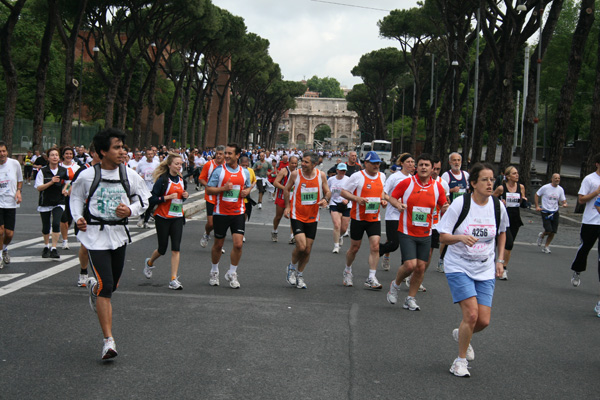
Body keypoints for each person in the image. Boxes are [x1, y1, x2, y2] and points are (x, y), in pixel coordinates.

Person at [71, 128, 150, 360]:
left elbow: (144, 199)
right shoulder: (87, 176)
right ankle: (108, 340)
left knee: (111, 286)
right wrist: (78, 218)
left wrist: (131, 210)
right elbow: (75, 197)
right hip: (95, 235)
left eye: (123, 147)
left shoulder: (130, 175)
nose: (122, 152)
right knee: (107, 287)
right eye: (117, 147)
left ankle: (94, 289)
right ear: (102, 151)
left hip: (118, 234)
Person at [437, 163, 508, 377]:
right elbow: (442, 236)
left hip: (485, 267)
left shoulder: (497, 206)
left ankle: (462, 334)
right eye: (485, 179)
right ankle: (459, 362)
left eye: (492, 179)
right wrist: (460, 237)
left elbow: (503, 233)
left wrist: (500, 260)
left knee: (483, 321)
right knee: (472, 314)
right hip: (459, 265)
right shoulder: (461, 204)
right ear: (474, 183)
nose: (490, 183)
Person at [386, 154, 448, 311]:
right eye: (420, 164)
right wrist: (397, 204)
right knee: (410, 265)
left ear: (432, 168)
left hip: (426, 232)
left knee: (421, 267)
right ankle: (395, 285)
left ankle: (410, 299)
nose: (424, 167)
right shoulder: (407, 183)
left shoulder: (437, 187)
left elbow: (444, 205)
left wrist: (449, 208)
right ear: (416, 167)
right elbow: (392, 197)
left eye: (427, 165)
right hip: (407, 230)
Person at [206, 143, 251, 288]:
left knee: (238, 245)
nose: (226, 156)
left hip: (238, 212)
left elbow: (249, 185)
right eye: (225, 153)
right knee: (218, 245)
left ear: (238, 155)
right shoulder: (219, 171)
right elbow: (208, 189)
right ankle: (214, 271)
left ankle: (232, 273)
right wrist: (223, 189)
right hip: (221, 213)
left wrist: (246, 192)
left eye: (229, 153)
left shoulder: (244, 172)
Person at [283, 151, 331, 288]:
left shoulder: (320, 175)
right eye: (302, 161)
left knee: (308, 250)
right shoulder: (295, 174)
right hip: (296, 214)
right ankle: (291, 268)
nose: (302, 164)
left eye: (306, 162)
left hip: (312, 216)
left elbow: (328, 191)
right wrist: (287, 207)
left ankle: (300, 275)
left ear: (315, 164)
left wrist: (325, 199)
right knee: (301, 246)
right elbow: (287, 190)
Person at [340, 151, 387, 289]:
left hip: (374, 218)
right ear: (365, 163)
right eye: (373, 163)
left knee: (375, 246)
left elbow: (382, 192)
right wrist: (356, 199)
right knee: (354, 248)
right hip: (358, 218)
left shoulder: (382, 176)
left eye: (378, 163)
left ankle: (371, 277)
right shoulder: (357, 176)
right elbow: (343, 192)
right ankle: (347, 270)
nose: (376, 165)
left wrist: (383, 200)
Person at [142, 153, 189, 290]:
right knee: (162, 249)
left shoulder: (181, 180)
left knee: (176, 248)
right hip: (162, 218)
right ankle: (149, 262)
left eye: (180, 164)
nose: (179, 166)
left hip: (177, 217)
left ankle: (173, 279)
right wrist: (166, 197)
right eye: (176, 164)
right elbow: (152, 199)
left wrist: (185, 196)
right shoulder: (162, 180)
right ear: (169, 165)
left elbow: (181, 199)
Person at [70, 144, 100, 287]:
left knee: (101, 246)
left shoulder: (110, 170)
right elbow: (74, 191)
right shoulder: (83, 171)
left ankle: (100, 275)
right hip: (85, 212)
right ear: (92, 153)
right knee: (85, 245)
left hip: (101, 213)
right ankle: (83, 271)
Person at [571, 153, 600, 295]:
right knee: (585, 248)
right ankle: (577, 270)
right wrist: (596, 192)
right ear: (597, 164)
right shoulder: (590, 179)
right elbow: (581, 200)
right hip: (591, 221)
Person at [380, 153, 414, 270]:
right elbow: (384, 193)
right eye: (408, 162)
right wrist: (393, 202)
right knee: (394, 243)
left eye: (412, 162)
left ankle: (404, 268)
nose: (411, 164)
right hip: (393, 215)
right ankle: (379, 251)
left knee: (406, 245)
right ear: (402, 163)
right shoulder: (394, 177)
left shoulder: (413, 179)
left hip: (407, 216)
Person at [492, 166, 526, 280]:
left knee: (509, 247)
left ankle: (502, 265)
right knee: (508, 243)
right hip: (504, 219)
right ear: (507, 176)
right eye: (514, 173)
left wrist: (524, 201)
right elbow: (491, 199)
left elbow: (521, 201)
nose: (517, 175)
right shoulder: (501, 188)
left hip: (515, 219)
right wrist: (500, 202)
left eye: (517, 173)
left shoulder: (521, 187)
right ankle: (503, 268)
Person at [439, 152, 470, 272]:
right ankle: (441, 260)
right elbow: (442, 193)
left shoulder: (466, 175)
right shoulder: (446, 176)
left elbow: (468, 191)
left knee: (461, 234)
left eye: (458, 160)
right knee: (447, 235)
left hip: (463, 210)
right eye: (454, 160)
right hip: (451, 210)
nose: (457, 163)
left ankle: (459, 260)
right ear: (450, 162)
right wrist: (452, 190)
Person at [35, 147, 67, 259]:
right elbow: (39, 188)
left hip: (59, 201)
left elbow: (68, 182)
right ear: (48, 158)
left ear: (59, 158)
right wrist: (51, 182)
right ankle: (46, 246)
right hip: (45, 202)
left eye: (56, 155)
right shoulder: (42, 171)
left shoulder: (63, 170)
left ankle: (54, 248)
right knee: (46, 226)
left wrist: (66, 189)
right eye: (52, 155)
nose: (55, 157)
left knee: (56, 223)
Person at [0, 141, 23, 267]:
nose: (2, 154)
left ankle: (4, 248)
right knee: (0, 231)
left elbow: (20, 180)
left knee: (9, 233)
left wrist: (19, 191)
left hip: (10, 202)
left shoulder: (14, 164)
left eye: (3, 151)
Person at [199, 145, 225, 247]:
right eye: (217, 154)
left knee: (219, 222)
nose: (218, 156)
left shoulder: (227, 166)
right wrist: (209, 186)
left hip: (222, 197)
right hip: (210, 196)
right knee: (211, 224)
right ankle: (207, 233)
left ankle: (218, 245)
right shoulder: (208, 165)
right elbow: (201, 179)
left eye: (220, 154)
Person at [535, 173, 567, 254]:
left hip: (555, 212)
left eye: (558, 178)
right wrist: (537, 206)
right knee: (548, 230)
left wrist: (564, 203)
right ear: (552, 179)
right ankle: (542, 235)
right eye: (555, 178)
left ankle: (546, 246)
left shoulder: (560, 189)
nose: (557, 180)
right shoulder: (546, 187)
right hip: (545, 211)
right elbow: (537, 194)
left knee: (553, 231)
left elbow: (563, 199)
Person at [272, 156, 298, 243]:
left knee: (293, 217)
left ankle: (292, 236)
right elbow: (275, 182)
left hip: (292, 197)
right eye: (292, 163)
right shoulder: (284, 171)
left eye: (295, 163)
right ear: (289, 163)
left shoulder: (298, 172)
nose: (294, 165)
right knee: (278, 216)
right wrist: (285, 188)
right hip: (282, 197)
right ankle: (274, 231)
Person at [59, 147, 80, 250]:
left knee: (70, 218)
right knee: (64, 218)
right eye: (66, 153)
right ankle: (65, 240)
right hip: (61, 195)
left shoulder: (77, 167)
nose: (68, 156)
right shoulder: (59, 166)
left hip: (73, 195)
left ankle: (63, 232)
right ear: (63, 155)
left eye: (70, 154)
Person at [327, 163, 351, 253]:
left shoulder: (348, 180)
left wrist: (347, 200)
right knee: (337, 225)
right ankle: (336, 246)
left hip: (346, 205)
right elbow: (327, 190)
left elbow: (352, 192)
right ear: (337, 170)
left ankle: (340, 236)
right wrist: (326, 200)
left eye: (344, 170)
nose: (342, 172)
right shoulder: (331, 180)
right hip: (334, 203)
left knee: (344, 228)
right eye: (341, 170)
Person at [136, 148, 159, 228]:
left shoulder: (156, 163)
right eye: (148, 154)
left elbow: (159, 172)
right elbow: (136, 174)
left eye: (151, 154)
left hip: (152, 186)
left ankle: (146, 221)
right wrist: (140, 176)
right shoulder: (141, 163)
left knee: (150, 205)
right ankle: (142, 217)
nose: (150, 155)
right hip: (143, 187)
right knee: (142, 204)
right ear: (145, 155)